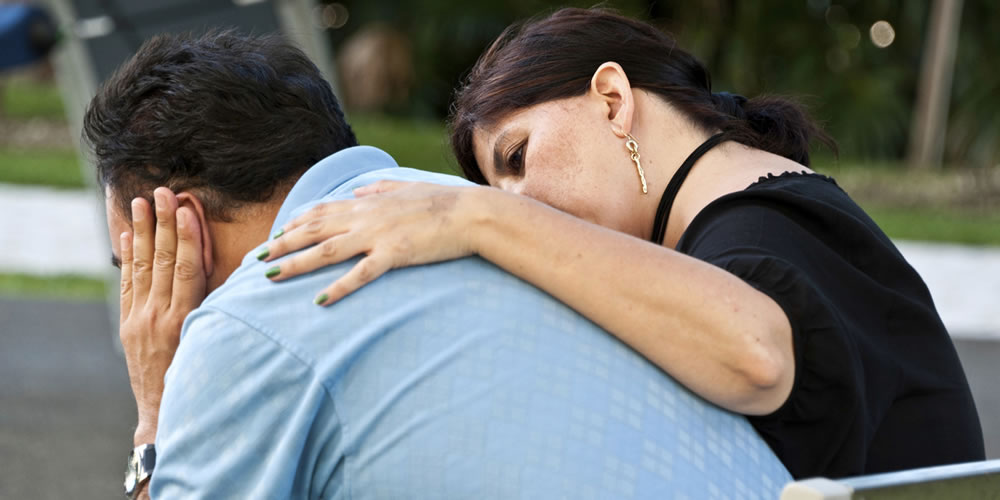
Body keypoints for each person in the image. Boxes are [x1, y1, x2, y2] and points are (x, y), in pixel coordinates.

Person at [259, 8, 985, 478]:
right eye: (496, 190)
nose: (522, 200)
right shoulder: (769, 210)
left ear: (612, 99)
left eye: (517, 159)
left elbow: (757, 355)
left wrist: (477, 220)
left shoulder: (759, 234)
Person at [85, 30, 793, 499]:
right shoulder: (487, 218)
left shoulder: (247, 320)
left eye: (130, 262)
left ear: (178, 229)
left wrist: (156, 412)